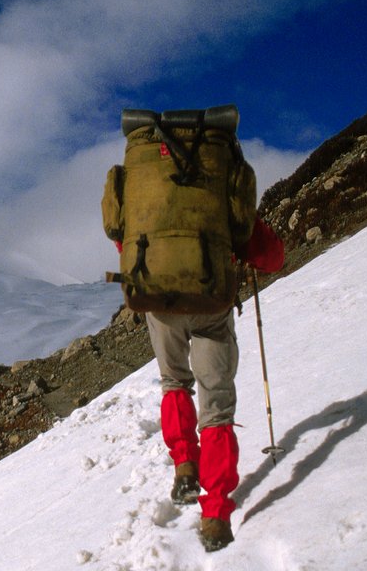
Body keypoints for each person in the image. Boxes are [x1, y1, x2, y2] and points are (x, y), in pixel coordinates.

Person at [149, 217, 283, 551]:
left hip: (161, 299)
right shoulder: (220, 171)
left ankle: (185, 465)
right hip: (211, 298)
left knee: (174, 381)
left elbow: (123, 238)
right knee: (217, 406)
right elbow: (271, 256)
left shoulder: (143, 171)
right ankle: (216, 514)